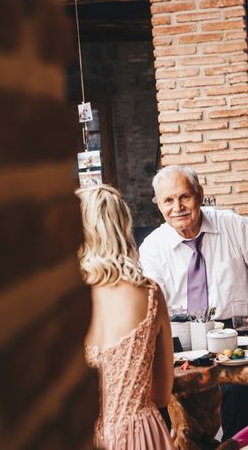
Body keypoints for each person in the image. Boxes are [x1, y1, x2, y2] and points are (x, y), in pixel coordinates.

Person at [139, 165, 248, 439]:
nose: (178, 207)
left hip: (233, 337)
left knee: (238, 390)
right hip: (180, 343)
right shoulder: (152, 247)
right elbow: (152, 303)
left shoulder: (230, 224)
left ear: (200, 194)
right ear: (159, 205)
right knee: (160, 395)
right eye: (168, 201)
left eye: (184, 196)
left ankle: (235, 446)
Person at [77, 184, 175, 449]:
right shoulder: (151, 293)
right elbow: (163, 394)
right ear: (123, 227)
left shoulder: (65, 302)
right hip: (142, 434)